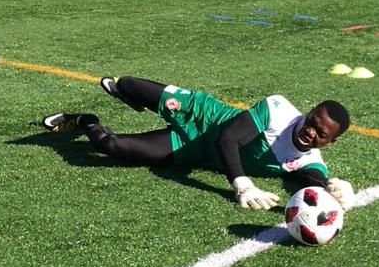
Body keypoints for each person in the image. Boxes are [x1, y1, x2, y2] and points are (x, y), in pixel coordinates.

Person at [41, 76, 356, 210]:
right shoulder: (279, 109)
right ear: (308, 112)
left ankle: (84, 120)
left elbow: (309, 182)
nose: (310, 132)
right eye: (311, 121)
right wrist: (242, 185)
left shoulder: (308, 160)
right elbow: (228, 138)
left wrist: (331, 187)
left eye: (320, 134)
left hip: (190, 148)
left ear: (329, 143)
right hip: (203, 114)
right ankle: (130, 96)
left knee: (111, 148)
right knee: (124, 83)